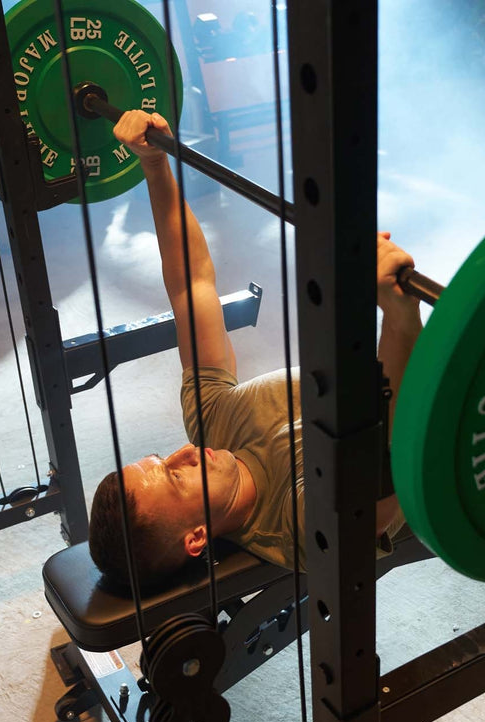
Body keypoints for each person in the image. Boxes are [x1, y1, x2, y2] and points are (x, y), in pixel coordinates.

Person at [88, 110, 415, 587]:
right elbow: (388, 455)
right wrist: (400, 317)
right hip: (442, 421)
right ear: (197, 537)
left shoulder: (212, 422)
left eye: (164, 457)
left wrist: (155, 168)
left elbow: (191, 285)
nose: (187, 451)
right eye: (177, 477)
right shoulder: (295, 523)